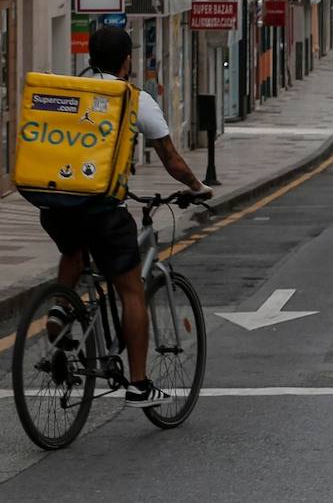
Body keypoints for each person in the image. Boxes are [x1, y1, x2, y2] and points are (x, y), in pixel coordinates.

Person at [40, 26, 210, 408]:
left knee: (74, 248)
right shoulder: (133, 98)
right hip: (102, 210)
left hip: (56, 205)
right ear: (127, 60)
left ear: (90, 58)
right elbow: (171, 160)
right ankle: (138, 384)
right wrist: (198, 188)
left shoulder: (73, 90)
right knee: (131, 291)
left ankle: (58, 309)